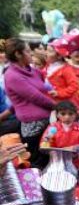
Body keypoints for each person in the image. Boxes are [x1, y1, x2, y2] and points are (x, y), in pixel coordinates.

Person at [1, 38, 55, 168]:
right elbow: (35, 97)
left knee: (50, 160)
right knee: (37, 162)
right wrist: (59, 106)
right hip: (33, 126)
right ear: (18, 54)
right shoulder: (12, 75)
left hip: (48, 121)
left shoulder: (33, 71)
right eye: (27, 51)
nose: (31, 53)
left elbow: (44, 89)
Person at [40, 101, 79, 167]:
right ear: (57, 115)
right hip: (58, 162)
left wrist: (74, 148)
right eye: (63, 114)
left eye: (70, 114)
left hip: (78, 163)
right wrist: (46, 142)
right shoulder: (52, 128)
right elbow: (45, 146)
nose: (67, 117)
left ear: (76, 114)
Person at [45, 38, 79, 109]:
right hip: (55, 104)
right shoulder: (47, 67)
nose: (46, 53)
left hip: (67, 106)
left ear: (59, 55)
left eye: (50, 51)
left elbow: (74, 86)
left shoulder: (66, 69)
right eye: (46, 50)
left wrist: (58, 93)